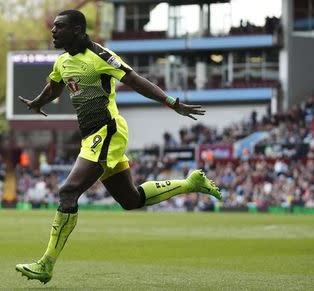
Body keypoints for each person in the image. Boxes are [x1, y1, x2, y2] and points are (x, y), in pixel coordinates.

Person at [15, 9, 222, 284]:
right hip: (92, 137)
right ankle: (191, 183)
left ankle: (46, 264)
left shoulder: (100, 56)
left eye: (59, 27)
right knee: (131, 200)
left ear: (77, 30)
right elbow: (55, 87)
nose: (53, 31)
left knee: (68, 192)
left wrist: (172, 103)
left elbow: (135, 80)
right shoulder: (62, 62)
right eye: (53, 27)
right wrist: (39, 102)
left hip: (108, 130)